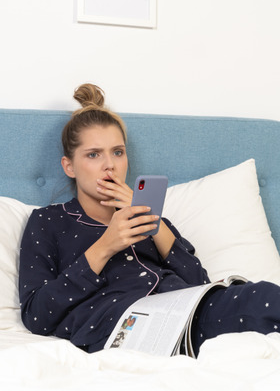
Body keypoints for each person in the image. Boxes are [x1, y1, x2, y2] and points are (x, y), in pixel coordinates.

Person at [19, 84, 280, 356]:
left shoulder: (151, 217)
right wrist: (105, 246)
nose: (110, 165)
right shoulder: (48, 221)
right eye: (93, 154)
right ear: (69, 166)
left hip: (186, 312)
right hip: (121, 327)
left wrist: (152, 221)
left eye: (118, 152)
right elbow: (37, 315)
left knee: (262, 295)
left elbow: (199, 282)